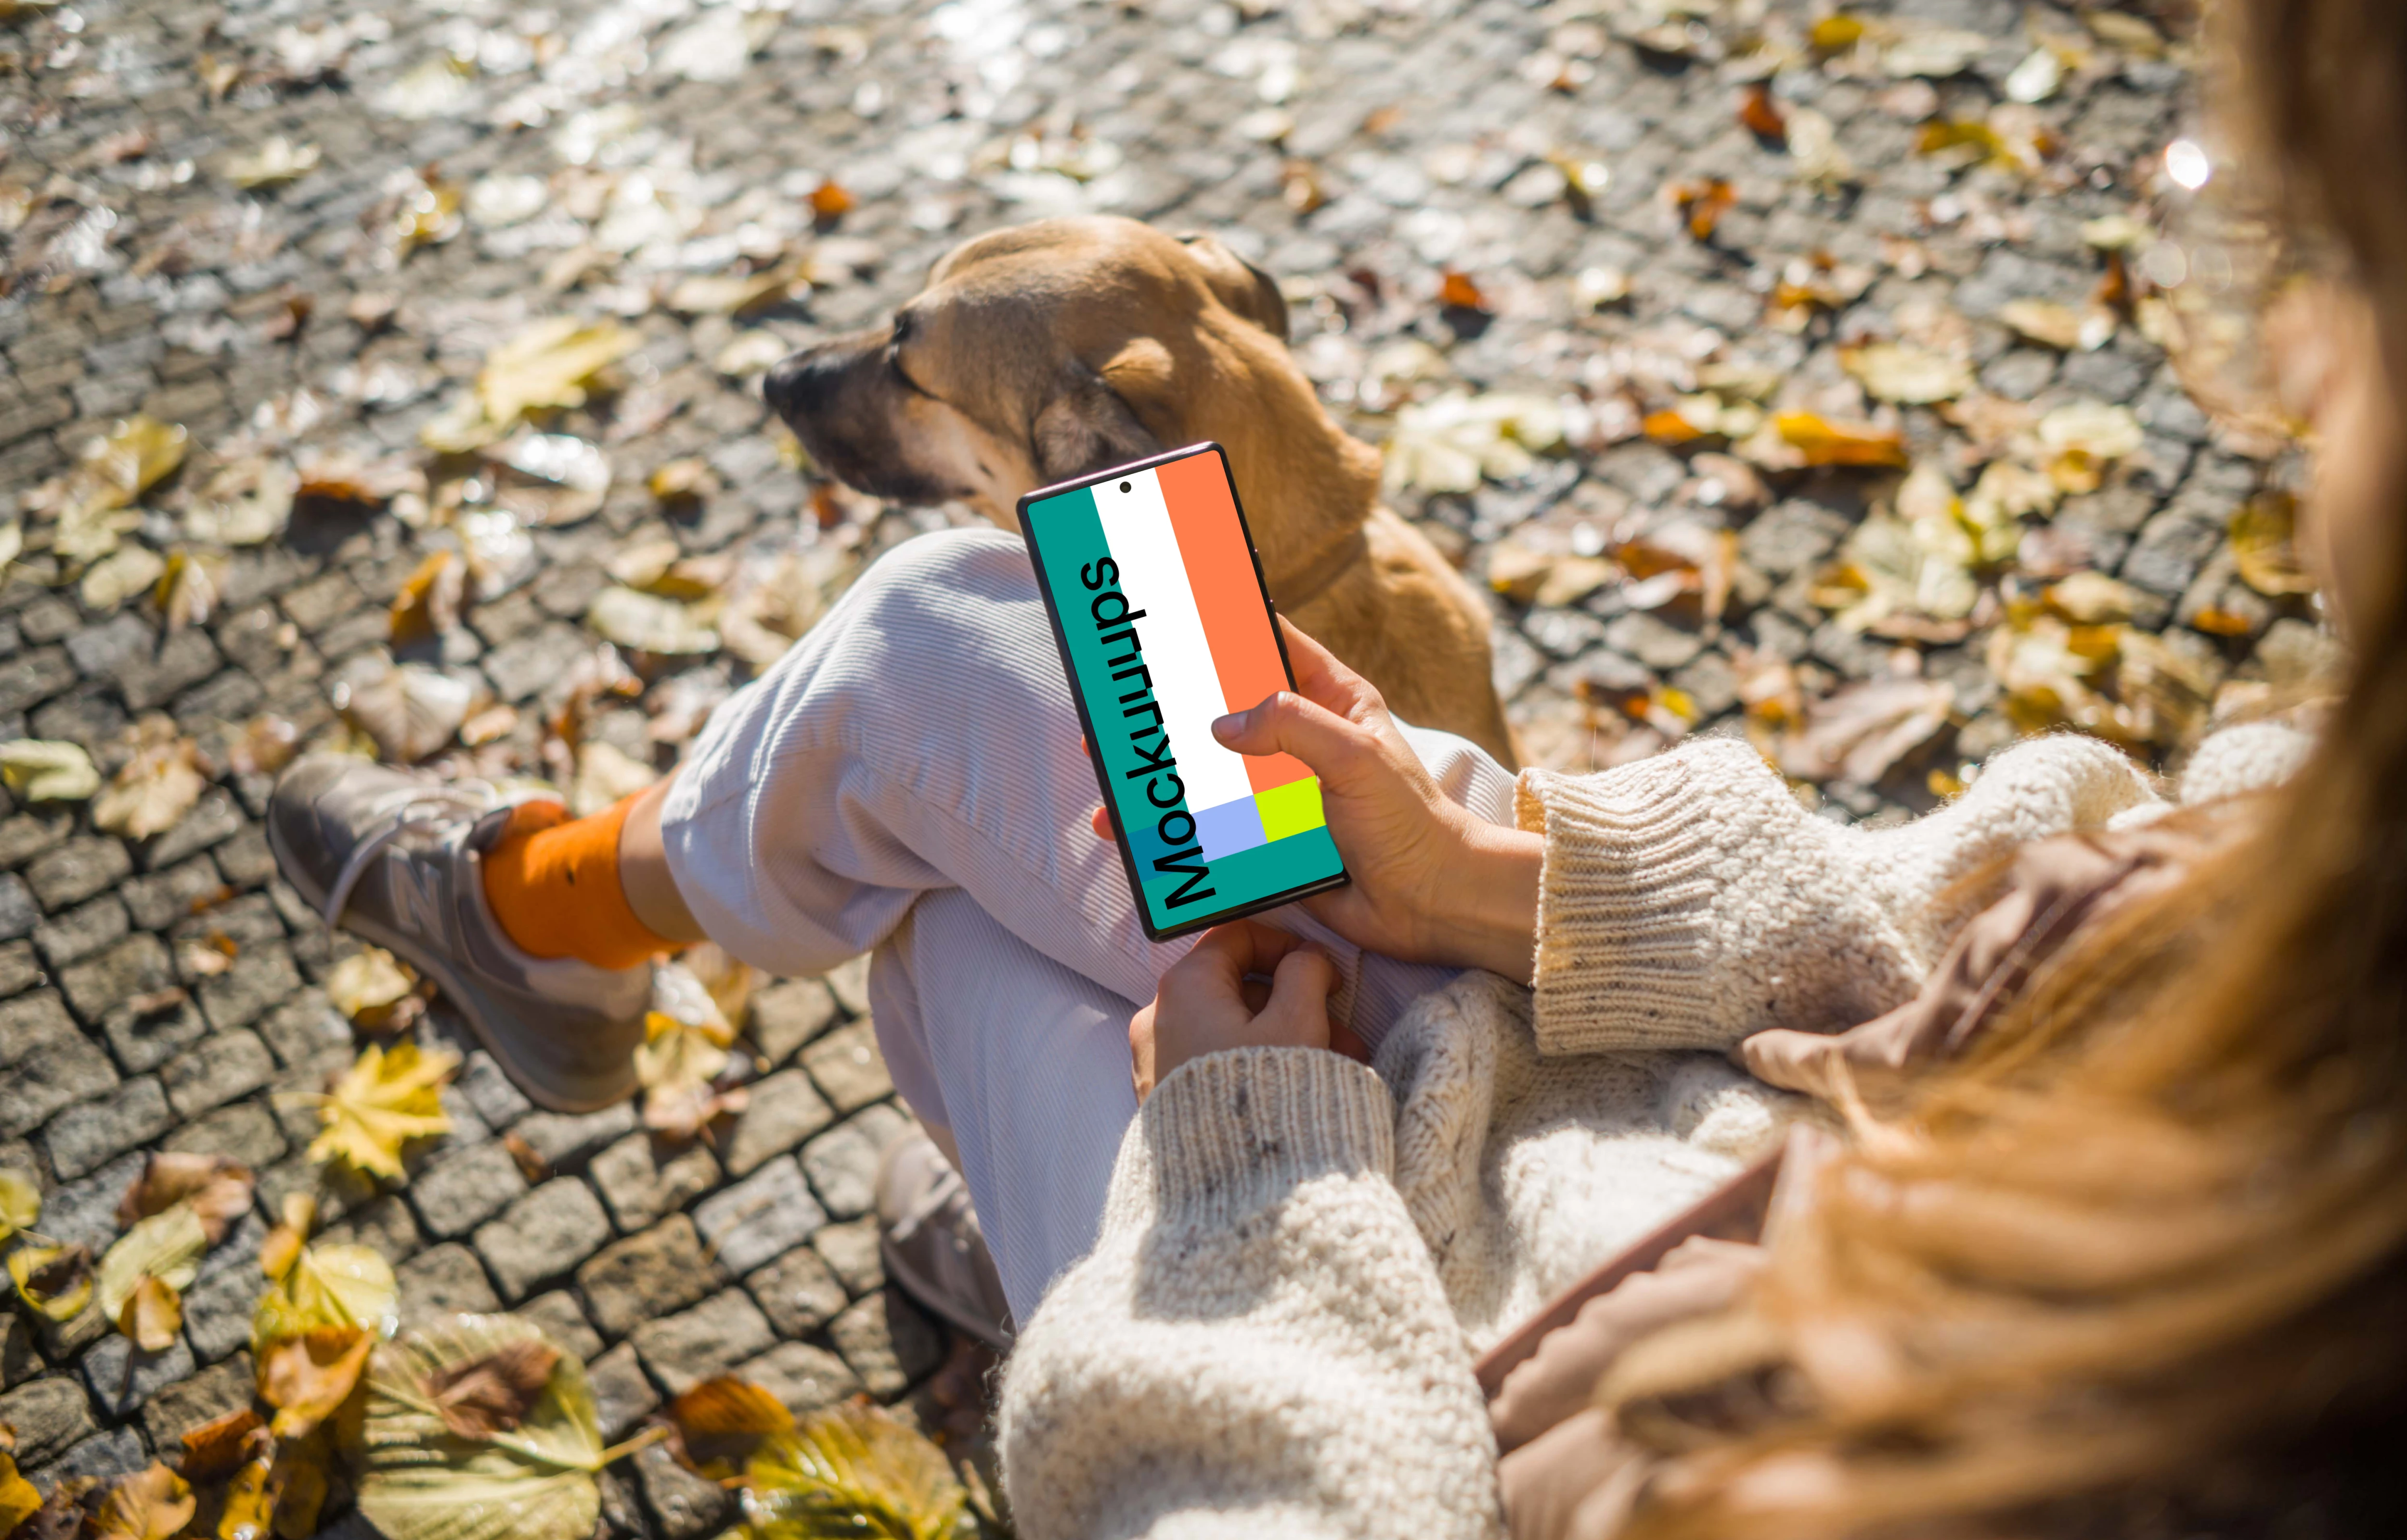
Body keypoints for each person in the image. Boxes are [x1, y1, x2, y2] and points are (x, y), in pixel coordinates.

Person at [264, 4, 2406, 1536]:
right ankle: (566, 913)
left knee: (930, 840)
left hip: (1401, 1295)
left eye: (2327, 280)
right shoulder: (2339, 851)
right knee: (951, 660)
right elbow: (2026, 869)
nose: (2287, 356)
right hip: (1610, 1042)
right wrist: (1508, 878)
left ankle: (564, 921)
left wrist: (1239, 1157)